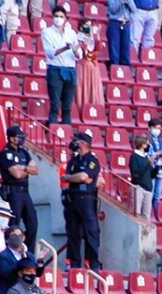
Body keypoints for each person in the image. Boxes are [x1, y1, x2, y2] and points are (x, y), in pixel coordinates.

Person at [61, 132, 101, 270]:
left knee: (91, 232)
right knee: (73, 233)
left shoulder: (92, 161)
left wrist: (70, 178)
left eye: (77, 141)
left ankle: (92, 264)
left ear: (83, 143)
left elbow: (84, 177)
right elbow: (67, 177)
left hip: (86, 200)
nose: (74, 143)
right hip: (72, 199)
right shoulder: (74, 160)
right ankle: (74, 264)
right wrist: (74, 178)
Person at [0, 126, 40, 244]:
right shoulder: (5, 154)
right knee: (13, 226)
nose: (21, 139)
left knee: (32, 224)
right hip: (13, 192)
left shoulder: (24, 152)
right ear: (11, 138)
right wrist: (27, 170)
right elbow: (16, 174)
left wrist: (23, 168)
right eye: (18, 136)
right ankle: (12, 250)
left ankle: (27, 252)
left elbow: (36, 170)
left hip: (25, 191)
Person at [42, 6, 80, 126]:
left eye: (61, 17)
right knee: (55, 105)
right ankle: (52, 131)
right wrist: (65, 47)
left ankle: (67, 134)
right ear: (52, 17)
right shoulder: (47, 32)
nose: (58, 19)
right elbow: (51, 53)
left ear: (66, 18)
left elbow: (79, 55)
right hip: (55, 70)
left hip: (70, 69)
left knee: (67, 106)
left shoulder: (71, 33)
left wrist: (74, 50)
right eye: (56, 16)